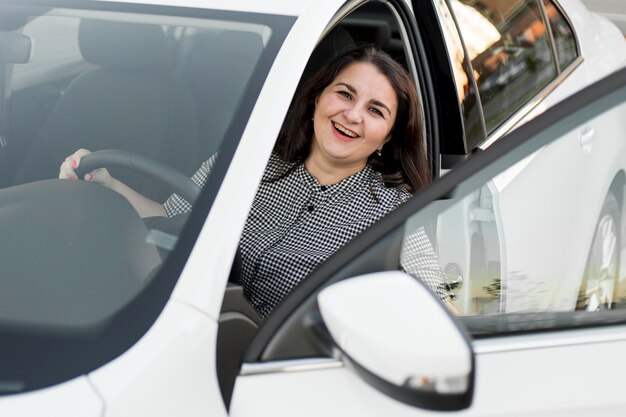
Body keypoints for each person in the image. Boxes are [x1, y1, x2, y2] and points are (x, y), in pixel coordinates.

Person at [60, 46, 451, 317]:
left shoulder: (395, 216)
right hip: (182, 335)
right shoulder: (245, 163)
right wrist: (108, 187)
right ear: (317, 98)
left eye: (375, 110)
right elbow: (171, 218)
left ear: (388, 137)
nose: (352, 115)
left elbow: (437, 310)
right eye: (344, 94)